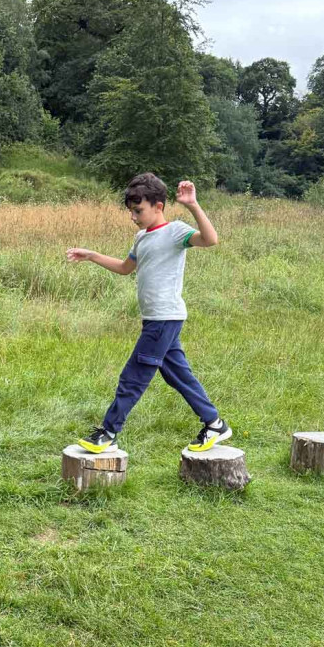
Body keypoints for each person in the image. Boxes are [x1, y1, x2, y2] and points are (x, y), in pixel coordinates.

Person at [66, 172, 231, 454]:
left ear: (158, 206)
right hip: (156, 319)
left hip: (164, 318)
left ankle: (109, 432)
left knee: (134, 376)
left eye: (138, 210)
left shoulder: (175, 231)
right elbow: (124, 268)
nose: (133, 216)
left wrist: (192, 205)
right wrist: (91, 255)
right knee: (178, 375)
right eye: (131, 211)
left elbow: (210, 239)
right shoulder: (141, 237)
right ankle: (215, 423)